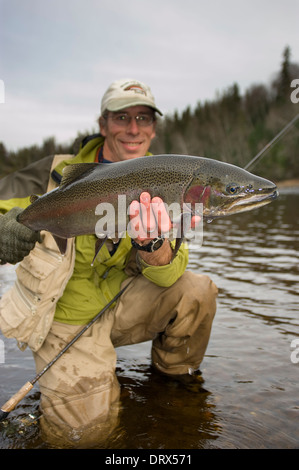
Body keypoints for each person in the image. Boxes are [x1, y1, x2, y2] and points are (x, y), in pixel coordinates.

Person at [0, 79, 218, 447]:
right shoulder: (53, 171)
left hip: (123, 302)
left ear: (153, 128)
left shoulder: (172, 180)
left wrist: (152, 244)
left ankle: (172, 391)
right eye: (122, 117)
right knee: (84, 438)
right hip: (65, 318)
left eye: (144, 118)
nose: (134, 128)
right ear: (103, 125)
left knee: (197, 291)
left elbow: (170, 273)